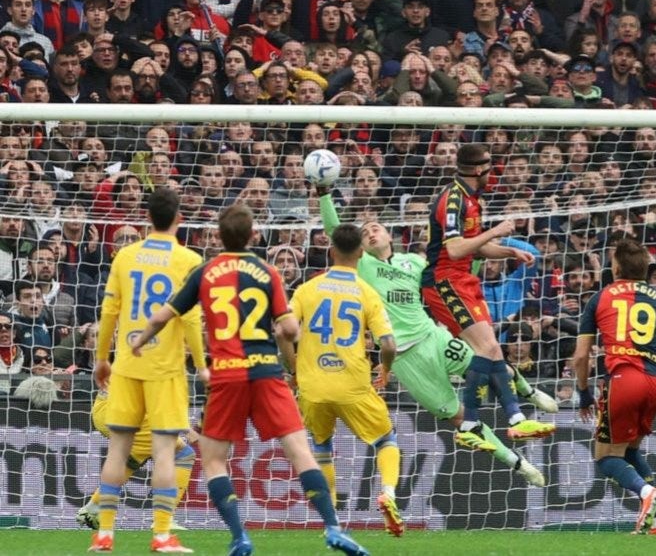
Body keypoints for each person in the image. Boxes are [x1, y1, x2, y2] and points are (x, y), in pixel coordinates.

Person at [130, 204, 367, 556]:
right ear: (253, 235)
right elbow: (289, 328)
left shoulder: (205, 271)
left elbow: (164, 315)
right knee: (301, 453)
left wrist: (138, 341)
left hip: (227, 375)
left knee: (213, 460)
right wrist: (290, 333)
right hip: (267, 372)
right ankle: (333, 527)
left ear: (218, 236)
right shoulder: (267, 271)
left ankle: (239, 535)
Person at [316, 186, 553, 486]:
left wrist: (483, 257)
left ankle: (529, 393)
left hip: (433, 337)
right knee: (460, 418)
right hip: (404, 358)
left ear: (389, 235)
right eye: (364, 233)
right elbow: (334, 230)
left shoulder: (414, 262)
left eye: (376, 228)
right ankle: (519, 464)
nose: (371, 233)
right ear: (360, 246)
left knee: (491, 362)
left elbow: (453, 270)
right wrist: (324, 193)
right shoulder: (362, 266)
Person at [88, 188, 205, 554]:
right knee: (166, 451)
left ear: (146, 218)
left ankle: (104, 535)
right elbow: (191, 319)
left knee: (117, 451)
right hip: (165, 369)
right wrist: (202, 365)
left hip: (126, 365)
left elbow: (109, 311)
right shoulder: (190, 259)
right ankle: (162, 536)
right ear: (179, 219)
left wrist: (102, 358)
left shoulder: (125, 255)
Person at [420, 143, 555, 443]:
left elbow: (475, 247)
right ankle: (474, 422)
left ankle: (513, 419)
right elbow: (456, 250)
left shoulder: (472, 198)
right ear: (480, 169)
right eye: (491, 166)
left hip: (463, 279)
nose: (493, 172)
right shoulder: (453, 199)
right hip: (444, 282)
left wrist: (509, 252)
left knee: (492, 349)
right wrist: (495, 231)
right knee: (486, 348)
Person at [288, 223, 404, 537]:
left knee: (321, 446)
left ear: (331, 251)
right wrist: (385, 369)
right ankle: (388, 493)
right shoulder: (367, 292)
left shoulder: (307, 289)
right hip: (353, 384)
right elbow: (389, 344)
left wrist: (293, 369)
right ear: (361, 253)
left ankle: (331, 521)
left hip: (313, 385)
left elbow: (282, 331)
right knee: (386, 440)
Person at [571, 238, 656, 535]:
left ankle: (647, 493)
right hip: (655, 383)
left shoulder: (601, 297)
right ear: (646, 270)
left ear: (616, 268)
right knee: (630, 452)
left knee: (606, 457)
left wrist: (583, 392)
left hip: (622, 380)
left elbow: (581, 356)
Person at [77, 387, 200, 533]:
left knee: (134, 458)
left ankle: (94, 508)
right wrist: (187, 429)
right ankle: (164, 521)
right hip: (126, 413)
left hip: (104, 408)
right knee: (182, 455)